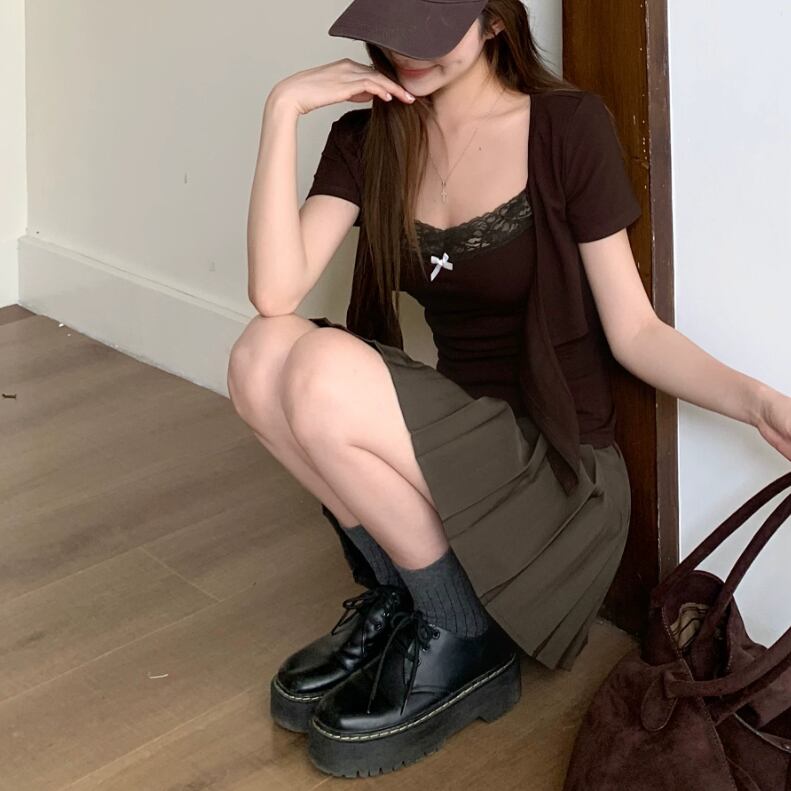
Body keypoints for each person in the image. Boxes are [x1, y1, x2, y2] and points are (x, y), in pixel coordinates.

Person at [227, 0, 791, 778]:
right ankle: (408, 595)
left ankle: (458, 630)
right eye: (393, 31)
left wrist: (756, 400)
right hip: (461, 444)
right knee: (258, 353)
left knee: (319, 370)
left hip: (557, 474)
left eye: (431, 31)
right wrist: (282, 110)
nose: (407, 54)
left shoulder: (564, 128)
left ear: (495, 23)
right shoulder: (370, 135)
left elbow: (634, 332)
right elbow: (273, 293)